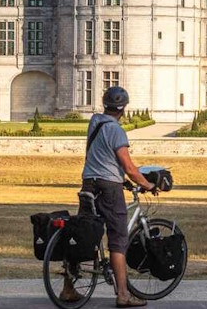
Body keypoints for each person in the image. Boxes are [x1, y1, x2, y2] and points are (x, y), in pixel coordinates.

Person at [61, 86, 157, 308]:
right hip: (108, 188)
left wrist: (121, 177)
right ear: (123, 109)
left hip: (89, 183)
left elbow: (101, 155)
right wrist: (147, 184)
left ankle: (68, 288)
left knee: (83, 234)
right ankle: (123, 294)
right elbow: (130, 168)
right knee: (118, 240)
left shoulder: (95, 122)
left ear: (105, 105)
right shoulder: (116, 131)